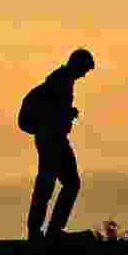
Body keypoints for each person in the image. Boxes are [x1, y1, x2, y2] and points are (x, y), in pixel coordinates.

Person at [26, 48, 95, 244]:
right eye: (84, 70)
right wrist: (66, 114)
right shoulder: (60, 81)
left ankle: (47, 228)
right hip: (52, 139)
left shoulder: (62, 80)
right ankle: (42, 229)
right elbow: (52, 113)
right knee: (52, 183)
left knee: (59, 182)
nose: (84, 75)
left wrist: (67, 112)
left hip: (53, 138)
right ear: (78, 64)